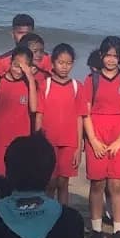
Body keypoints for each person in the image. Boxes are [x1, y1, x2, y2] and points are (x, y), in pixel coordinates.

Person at [83, 36, 120, 238]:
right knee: (97, 183)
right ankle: (96, 230)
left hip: (119, 136)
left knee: (116, 185)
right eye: (108, 55)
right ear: (101, 56)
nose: (111, 59)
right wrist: (93, 140)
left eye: (116, 56)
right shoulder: (91, 80)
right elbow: (85, 113)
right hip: (96, 134)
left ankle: (117, 230)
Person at [35, 45, 87, 205]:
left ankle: (63, 217)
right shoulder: (46, 85)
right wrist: (37, 142)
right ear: (53, 62)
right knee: (49, 182)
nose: (64, 67)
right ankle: (47, 215)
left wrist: (79, 147)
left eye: (68, 63)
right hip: (48, 142)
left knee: (63, 183)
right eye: (60, 62)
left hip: (69, 143)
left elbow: (80, 118)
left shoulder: (77, 86)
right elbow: (39, 115)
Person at [0, 45, 37, 177]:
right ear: (10, 63)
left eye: (23, 68)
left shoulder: (30, 85)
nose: (18, 71)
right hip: (0, 140)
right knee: (0, 177)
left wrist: (30, 78)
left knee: (18, 179)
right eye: (15, 65)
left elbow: (34, 108)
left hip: (22, 142)